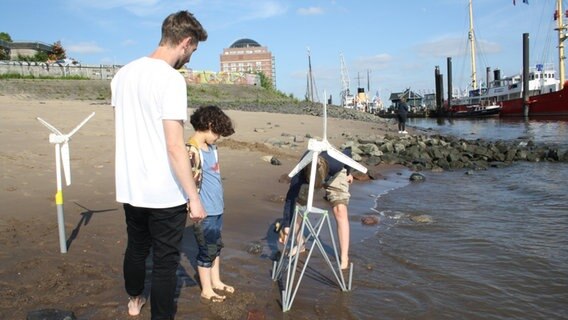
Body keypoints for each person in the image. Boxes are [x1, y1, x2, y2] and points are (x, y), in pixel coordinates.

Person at [111, 10, 208, 319]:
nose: (190, 59)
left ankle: (134, 301)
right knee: (166, 261)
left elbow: (126, 129)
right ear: (185, 41)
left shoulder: (123, 74)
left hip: (130, 185)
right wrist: (194, 198)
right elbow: (174, 146)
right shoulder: (170, 79)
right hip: (164, 191)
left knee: (137, 247)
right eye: (192, 51)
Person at [186, 105, 235, 303]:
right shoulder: (191, 150)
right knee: (206, 250)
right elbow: (188, 181)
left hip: (217, 208)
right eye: (217, 133)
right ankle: (206, 289)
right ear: (208, 124)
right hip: (204, 210)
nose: (218, 137)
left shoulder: (212, 148)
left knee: (216, 246)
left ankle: (216, 281)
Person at [279, 148, 355, 270]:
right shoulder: (301, 172)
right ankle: (300, 244)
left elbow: (348, 152)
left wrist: (348, 172)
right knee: (298, 209)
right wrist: (287, 226)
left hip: (335, 174)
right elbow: (290, 198)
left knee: (340, 210)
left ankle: (344, 256)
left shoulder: (336, 161)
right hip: (307, 179)